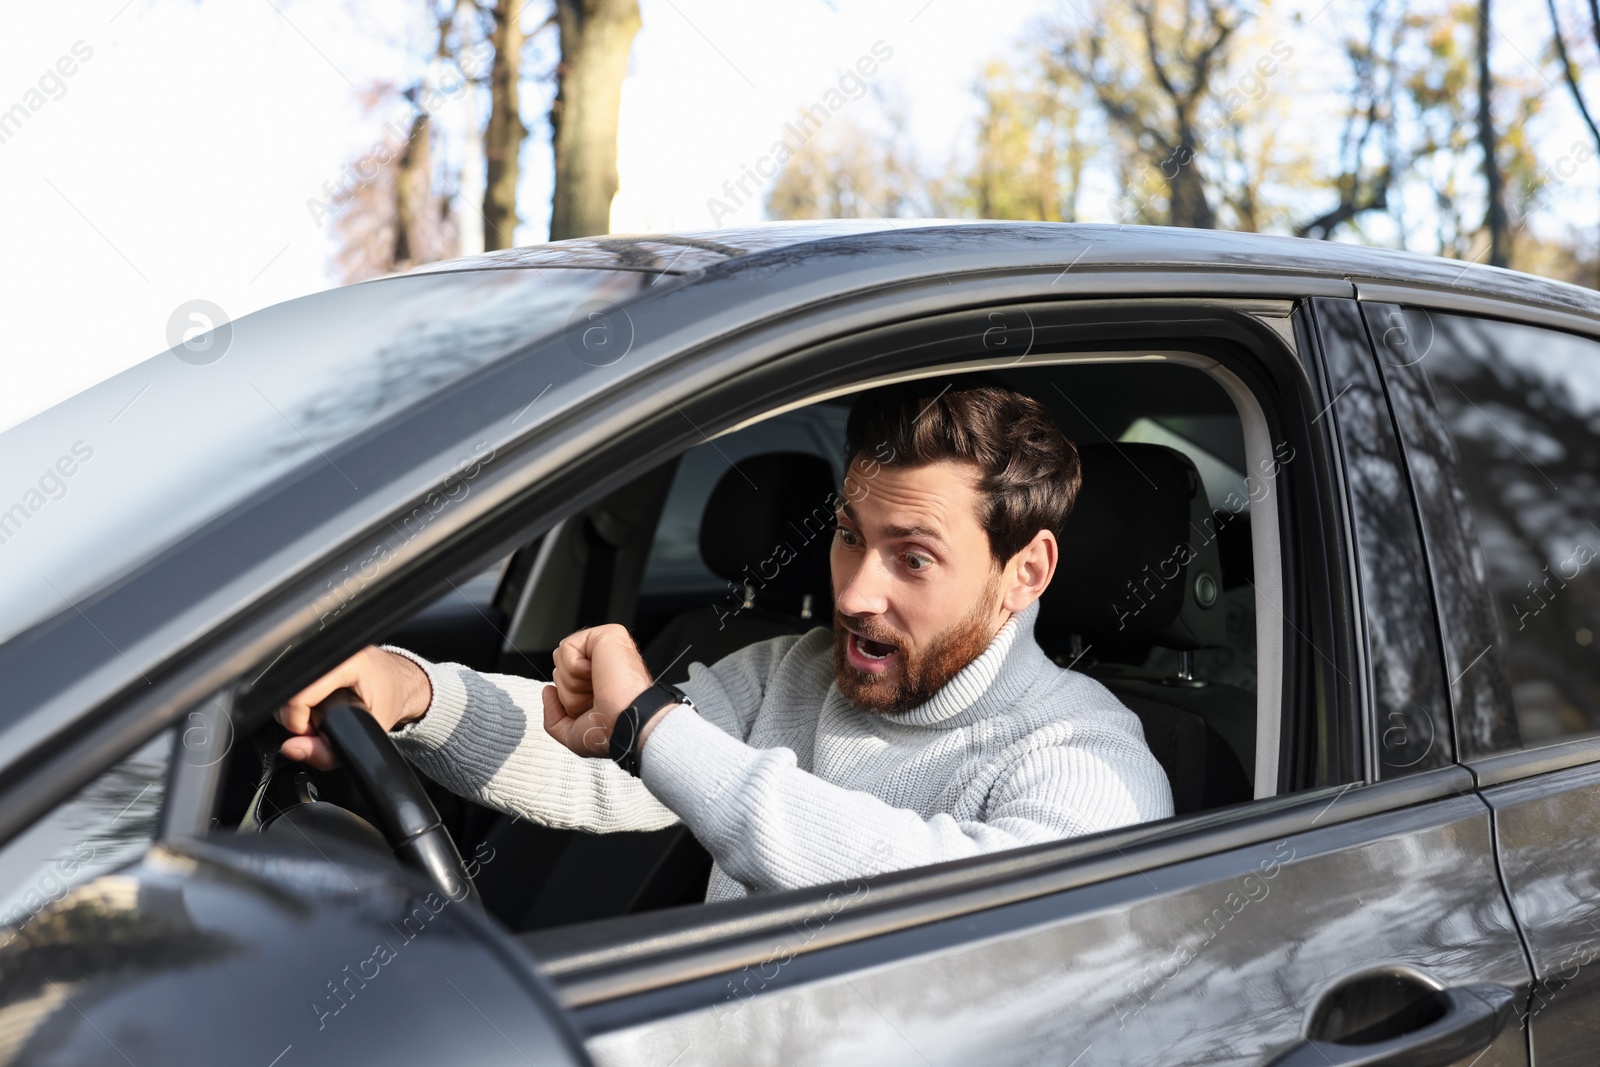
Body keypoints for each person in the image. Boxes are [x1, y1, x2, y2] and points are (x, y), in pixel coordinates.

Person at [277, 381, 1173, 902]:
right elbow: (600, 757)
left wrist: (654, 730)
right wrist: (418, 695)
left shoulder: (1089, 762)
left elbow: (950, 902)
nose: (856, 591)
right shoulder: (791, 672)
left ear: (1025, 571)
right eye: (851, 534)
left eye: (914, 557)